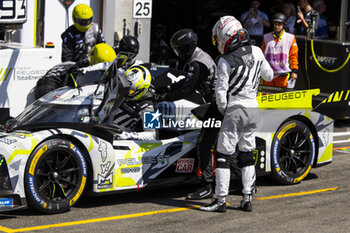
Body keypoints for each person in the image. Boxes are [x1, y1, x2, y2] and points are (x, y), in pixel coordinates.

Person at [200, 16, 273, 212]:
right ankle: (247, 198)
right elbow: (269, 75)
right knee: (247, 153)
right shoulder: (257, 51)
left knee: (224, 154)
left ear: (225, 36)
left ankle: (221, 200)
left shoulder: (224, 59)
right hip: (253, 108)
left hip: (235, 108)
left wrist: (226, 112)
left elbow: (220, 95)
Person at [154, 29, 217, 200]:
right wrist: (164, 87)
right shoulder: (198, 57)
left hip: (213, 107)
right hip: (211, 104)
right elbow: (185, 81)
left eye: (178, 50)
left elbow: (187, 90)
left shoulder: (198, 64)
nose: (177, 53)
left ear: (185, 48)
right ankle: (242, 183)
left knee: (204, 143)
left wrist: (163, 97)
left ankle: (207, 186)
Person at [34, 43, 116, 99]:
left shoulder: (84, 63)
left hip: (50, 80)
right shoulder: (80, 70)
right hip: (47, 88)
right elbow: (70, 86)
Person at [110, 65, 156, 141]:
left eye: (131, 91)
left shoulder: (148, 106)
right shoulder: (124, 90)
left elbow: (152, 135)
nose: (127, 92)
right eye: (126, 87)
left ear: (142, 90)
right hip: (105, 125)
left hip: (119, 137)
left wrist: (127, 135)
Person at [261, 13, 299, 88]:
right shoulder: (266, 37)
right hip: (268, 73)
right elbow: (262, 55)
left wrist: (294, 71)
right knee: (266, 96)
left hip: (282, 74)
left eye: (279, 24)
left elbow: (293, 56)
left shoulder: (290, 38)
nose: (277, 26)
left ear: (284, 24)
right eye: (275, 23)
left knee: (281, 97)